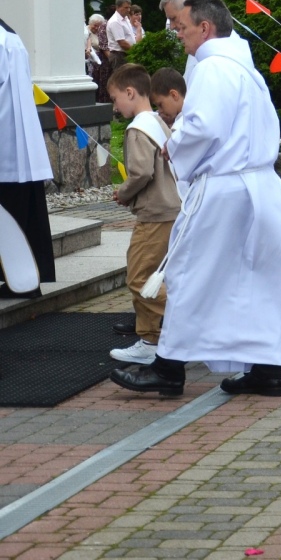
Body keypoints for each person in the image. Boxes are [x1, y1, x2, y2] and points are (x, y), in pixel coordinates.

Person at [110, 0, 281, 398]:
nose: (178, 34)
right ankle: (268, 370)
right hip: (260, 187)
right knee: (259, 280)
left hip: (226, 191)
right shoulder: (246, 69)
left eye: (182, 27)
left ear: (206, 28)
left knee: (189, 273)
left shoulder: (213, 68)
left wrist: (173, 144)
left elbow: (202, 127)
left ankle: (168, 368)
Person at [105, 65, 178, 364]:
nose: (114, 105)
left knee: (138, 278)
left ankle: (190, 322)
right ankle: (150, 340)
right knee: (152, 276)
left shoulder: (137, 128)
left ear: (130, 92)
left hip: (154, 213)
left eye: (114, 98)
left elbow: (140, 172)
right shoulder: (159, 122)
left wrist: (123, 193)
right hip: (172, 209)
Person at [0, 19, 56, 296]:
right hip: (18, 135)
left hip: (5, 137)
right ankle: (28, 277)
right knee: (22, 208)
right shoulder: (9, 36)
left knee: (9, 211)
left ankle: (20, 279)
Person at [86, 13, 112, 103]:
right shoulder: (86, 32)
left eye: (99, 26)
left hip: (101, 62)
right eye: (95, 25)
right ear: (90, 23)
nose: (96, 28)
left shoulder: (101, 33)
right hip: (91, 61)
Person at [105, 0, 135, 70]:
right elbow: (122, 42)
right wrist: (136, 51)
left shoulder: (125, 18)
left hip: (126, 53)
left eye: (129, 7)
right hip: (119, 55)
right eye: (126, 7)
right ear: (118, 7)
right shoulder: (115, 21)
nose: (128, 10)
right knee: (121, 78)